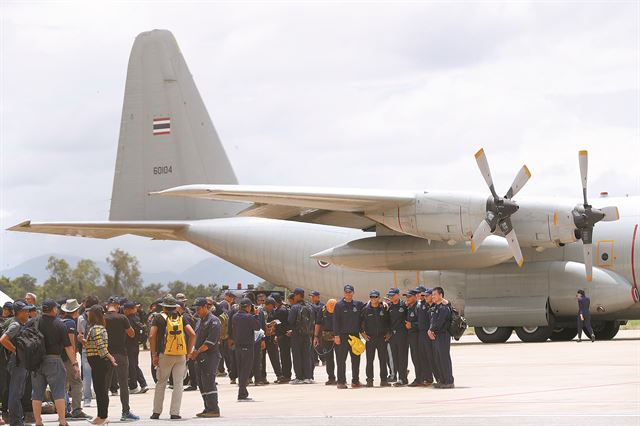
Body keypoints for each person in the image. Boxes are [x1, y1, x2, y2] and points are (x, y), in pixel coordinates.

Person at [31, 299, 80, 426]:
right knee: (58, 391)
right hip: (54, 360)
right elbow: (68, 347)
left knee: (36, 393)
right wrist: (74, 363)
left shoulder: (33, 322)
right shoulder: (59, 324)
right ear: (53, 309)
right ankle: (62, 421)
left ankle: (38, 421)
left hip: (36, 362)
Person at [149, 296, 196, 420]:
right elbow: (192, 334)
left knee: (161, 383)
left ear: (164, 307)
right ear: (175, 307)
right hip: (180, 354)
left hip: (165, 354)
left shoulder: (158, 318)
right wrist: (188, 352)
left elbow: (152, 335)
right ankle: (175, 413)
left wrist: (154, 354)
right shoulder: (182, 318)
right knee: (178, 384)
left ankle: (156, 412)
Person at [104, 297, 139, 421]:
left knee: (105, 385)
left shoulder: (102, 318)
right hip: (121, 354)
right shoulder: (122, 318)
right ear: (118, 306)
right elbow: (131, 333)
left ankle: (103, 414)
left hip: (106, 355)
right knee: (123, 383)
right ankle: (125, 412)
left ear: (107, 305)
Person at [85, 304, 118, 426]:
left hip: (100, 362)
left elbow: (101, 347)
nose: (87, 314)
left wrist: (111, 358)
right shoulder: (96, 327)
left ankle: (103, 417)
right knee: (99, 390)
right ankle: (100, 416)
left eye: (89, 312)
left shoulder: (97, 329)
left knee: (101, 390)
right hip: (97, 362)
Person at [0, 300, 32, 426]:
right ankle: (16, 421)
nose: (28, 313)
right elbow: (3, 340)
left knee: (17, 391)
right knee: (15, 392)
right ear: (19, 312)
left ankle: (17, 420)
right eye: (25, 311)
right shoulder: (16, 325)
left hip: (16, 361)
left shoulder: (17, 323)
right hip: (17, 362)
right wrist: (15, 350)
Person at [189, 297, 221, 418]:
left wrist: (196, 352)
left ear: (204, 307)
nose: (196, 311)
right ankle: (207, 408)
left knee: (209, 382)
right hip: (199, 356)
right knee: (201, 383)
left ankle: (214, 409)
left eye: (198, 309)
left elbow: (210, 342)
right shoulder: (199, 321)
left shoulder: (214, 321)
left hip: (210, 356)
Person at [60, 299, 91, 419]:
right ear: (76, 311)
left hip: (59, 357)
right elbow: (71, 344)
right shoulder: (70, 323)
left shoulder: (60, 321)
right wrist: (75, 362)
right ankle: (77, 410)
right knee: (77, 383)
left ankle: (64, 411)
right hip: (68, 358)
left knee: (63, 385)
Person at [333, 284, 365, 389]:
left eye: (350, 292)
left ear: (353, 293)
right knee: (341, 359)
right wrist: (336, 335)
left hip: (355, 336)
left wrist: (383, 303)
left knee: (356, 359)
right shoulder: (339, 305)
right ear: (344, 293)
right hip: (342, 336)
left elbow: (369, 305)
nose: (348, 294)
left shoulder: (358, 304)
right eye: (346, 292)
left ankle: (355, 381)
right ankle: (341, 381)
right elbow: (335, 321)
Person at [231, 298, 260, 401]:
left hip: (238, 346)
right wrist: (256, 315)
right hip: (247, 346)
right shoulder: (249, 317)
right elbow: (257, 327)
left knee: (241, 370)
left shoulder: (235, 316)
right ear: (248, 306)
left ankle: (243, 392)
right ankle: (241, 394)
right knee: (245, 370)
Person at [360, 290, 391, 387]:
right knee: (369, 360)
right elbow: (360, 322)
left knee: (383, 359)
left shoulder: (384, 308)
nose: (373, 299)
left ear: (379, 298)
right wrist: (362, 333)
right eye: (372, 297)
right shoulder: (365, 309)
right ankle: (369, 380)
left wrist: (389, 333)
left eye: (375, 297)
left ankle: (384, 380)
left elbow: (389, 321)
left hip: (382, 338)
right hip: (370, 338)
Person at [428, 287, 454, 388]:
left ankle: (449, 381)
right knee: (438, 359)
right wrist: (430, 330)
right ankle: (442, 380)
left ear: (441, 295)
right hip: (436, 335)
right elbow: (433, 321)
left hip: (443, 335)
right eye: (432, 294)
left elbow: (440, 322)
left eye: (435, 294)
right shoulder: (436, 307)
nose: (433, 296)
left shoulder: (444, 308)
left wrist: (431, 330)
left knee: (444, 358)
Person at [287, 288, 314, 384]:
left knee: (297, 356)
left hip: (296, 335)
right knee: (306, 355)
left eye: (295, 294)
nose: (294, 296)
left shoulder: (294, 307)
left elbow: (290, 321)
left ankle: (299, 377)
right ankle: (308, 377)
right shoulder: (309, 306)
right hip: (307, 334)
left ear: (298, 295)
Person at [78, 296, 99, 408]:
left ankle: (87, 399)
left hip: (86, 348)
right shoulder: (100, 316)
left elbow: (80, 335)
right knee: (100, 374)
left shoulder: (81, 318)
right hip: (99, 347)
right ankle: (101, 395)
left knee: (86, 375)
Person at [123, 302, 148, 394]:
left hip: (129, 345)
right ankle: (143, 384)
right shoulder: (137, 318)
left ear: (128, 310)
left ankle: (134, 386)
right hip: (136, 345)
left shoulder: (127, 320)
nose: (124, 311)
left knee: (131, 366)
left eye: (125, 309)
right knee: (134, 365)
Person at [387, 288, 409, 386]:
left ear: (398, 295)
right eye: (390, 295)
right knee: (395, 357)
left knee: (402, 357)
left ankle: (403, 378)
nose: (391, 297)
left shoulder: (404, 305)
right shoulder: (389, 307)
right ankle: (400, 377)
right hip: (393, 335)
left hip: (402, 335)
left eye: (393, 295)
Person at [313, 298, 336, 385]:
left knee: (340, 359)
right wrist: (315, 337)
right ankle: (331, 378)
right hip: (326, 338)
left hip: (338, 337)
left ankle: (342, 378)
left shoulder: (339, 310)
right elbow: (317, 324)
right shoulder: (322, 311)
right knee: (329, 359)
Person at [418, 288, 438, 385]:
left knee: (432, 357)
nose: (425, 297)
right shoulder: (424, 305)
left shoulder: (435, 306)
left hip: (430, 334)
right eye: (424, 296)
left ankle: (438, 378)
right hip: (422, 334)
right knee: (424, 357)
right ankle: (428, 378)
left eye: (427, 296)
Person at [404, 289, 423, 387]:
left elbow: (422, 323)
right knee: (414, 358)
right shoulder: (410, 307)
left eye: (409, 296)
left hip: (417, 337)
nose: (407, 298)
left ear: (415, 296)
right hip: (411, 337)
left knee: (418, 358)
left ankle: (420, 379)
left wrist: (412, 325)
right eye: (406, 296)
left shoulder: (418, 307)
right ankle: (419, 378)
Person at [263, 298, 283, 383]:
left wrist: (275, 323)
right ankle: (262, 377)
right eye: (271, 306)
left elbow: (279, 322)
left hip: (271, 337)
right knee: (261, 358)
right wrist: (266, 325)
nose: (273, 307)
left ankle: (279, 375)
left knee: (274, 357)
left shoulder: (275, 311)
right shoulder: (261, 311)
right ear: (267, 305)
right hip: (263, 337)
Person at [272, 294, 291, 383]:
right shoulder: (285, 308)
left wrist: (276, 335)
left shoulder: (280, 311)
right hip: (285, 335)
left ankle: (286, 375)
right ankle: (286, 374)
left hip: (283, 336)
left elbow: (279, 324)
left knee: (284, 356)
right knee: (285, 356)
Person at [309, 290, 324, 367]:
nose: (311, 298)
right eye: (311, 296)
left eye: (313, 296)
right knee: (313, 345)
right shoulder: (310, 305)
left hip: (320, 328)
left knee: (320, 345)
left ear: (318, 297)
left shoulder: (322, 305)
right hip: (312, 328)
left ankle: (323, 359)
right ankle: (315, 360)